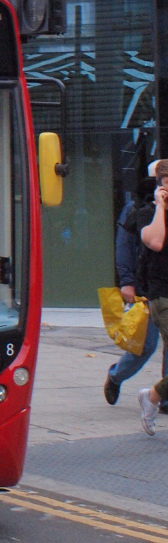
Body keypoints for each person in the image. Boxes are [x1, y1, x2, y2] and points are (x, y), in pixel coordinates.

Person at [106, 176, 166, 405]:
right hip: (147, 287)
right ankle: (116, 376)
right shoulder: (137, 209)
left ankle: (164, 397)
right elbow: (124, 246)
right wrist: (127, 281)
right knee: (145, 346)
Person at [135, 159, 168, 434]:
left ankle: (152, 397)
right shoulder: (147, 213)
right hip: (162, 297)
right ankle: (153, 398)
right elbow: (155, 242)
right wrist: (160, 206)